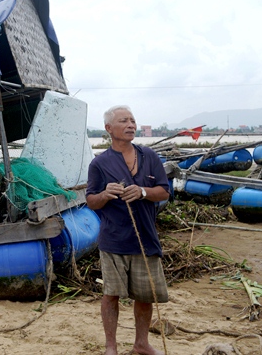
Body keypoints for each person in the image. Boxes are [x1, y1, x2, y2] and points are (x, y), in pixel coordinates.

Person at [86, 105, 171, 355]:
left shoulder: (149, 157)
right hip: (114, 239)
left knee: (145, 295)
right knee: (111, 294)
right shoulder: (100, 163)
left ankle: (141, 343)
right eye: (124, 121)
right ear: (109, 129)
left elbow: (164, 191)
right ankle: (111, 346)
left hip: (145, 238)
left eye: (133, 120)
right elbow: (91, 200)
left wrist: (143, 192)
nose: (131, 124)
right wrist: (105, 194)